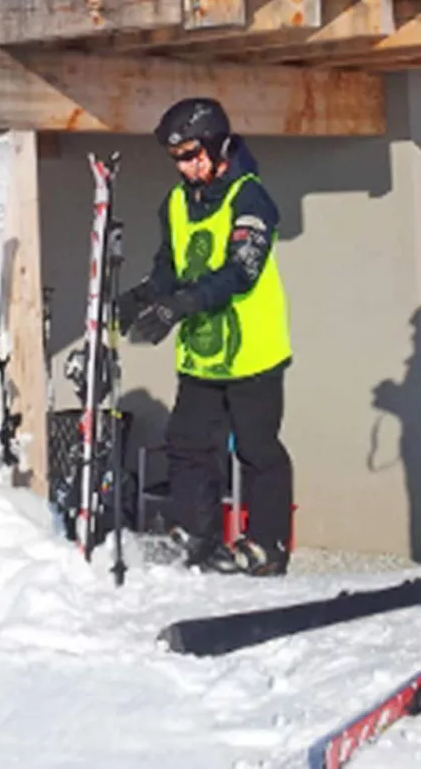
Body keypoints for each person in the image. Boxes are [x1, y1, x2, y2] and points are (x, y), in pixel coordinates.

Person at [115, 98, 295, 576]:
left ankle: (266, 545)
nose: (187, 167)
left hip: (253, 353)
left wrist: (182, 305)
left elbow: (241, 272)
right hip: (201, 355)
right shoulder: (175, 203)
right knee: (187, 443)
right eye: (178, 159)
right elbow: (168, 271)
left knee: (257, 449)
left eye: (194, 155)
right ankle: (196, 534)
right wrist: (137, 300)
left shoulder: (251, 198)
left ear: (218, 147)